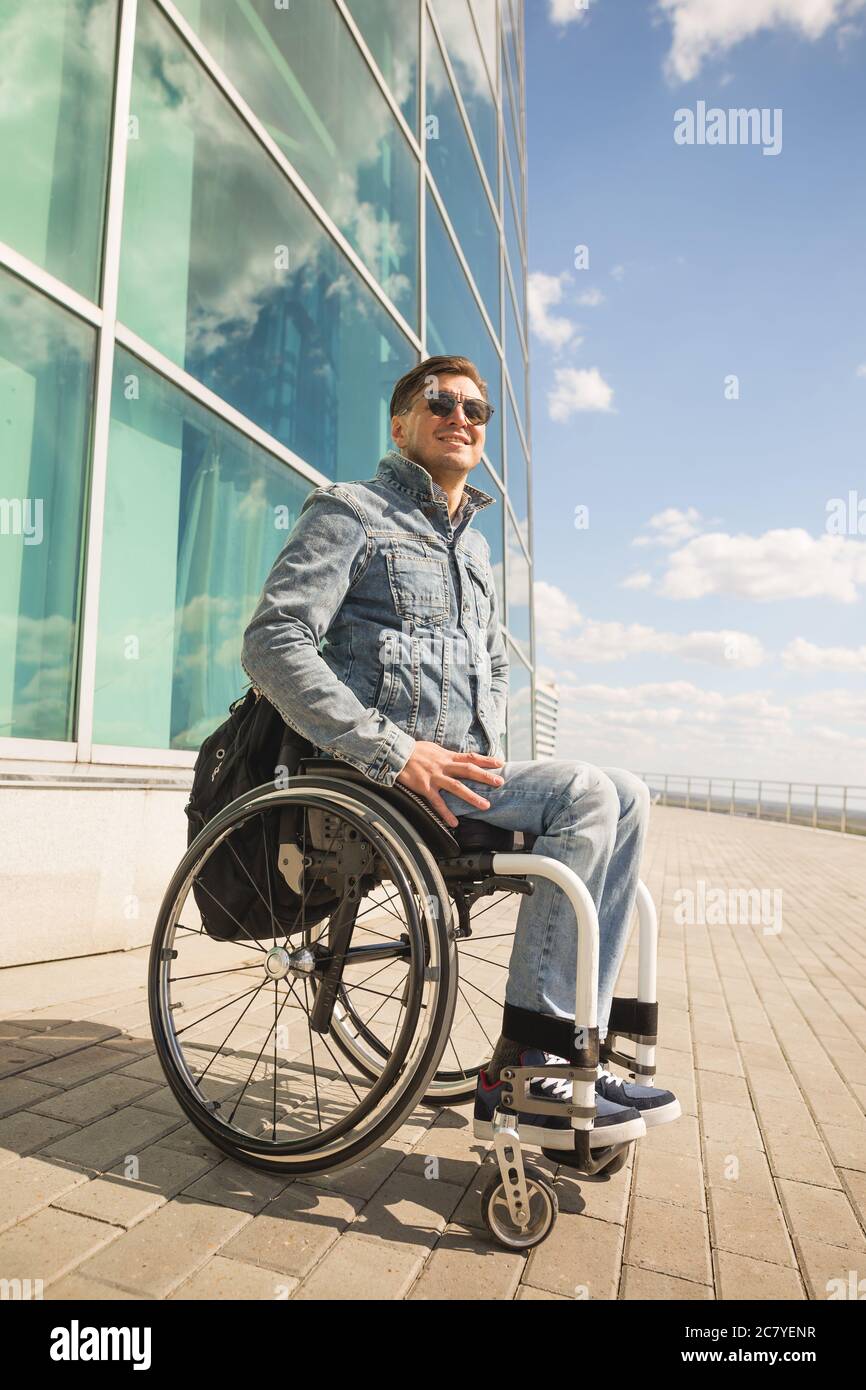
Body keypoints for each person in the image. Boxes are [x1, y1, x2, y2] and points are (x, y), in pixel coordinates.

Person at [241, 354, 680, 1151]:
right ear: (401, 423)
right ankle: (528, 1061)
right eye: (440, 402)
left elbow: (495, 670)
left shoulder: (474, 555)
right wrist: (394, 751)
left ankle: (583, 1042)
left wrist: (500, 765)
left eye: (477, 411)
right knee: (585, 790)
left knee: (626, 789)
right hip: (379, 780)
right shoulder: (351, 512)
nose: (463, 417)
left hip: (461, 781)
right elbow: (273, 643)